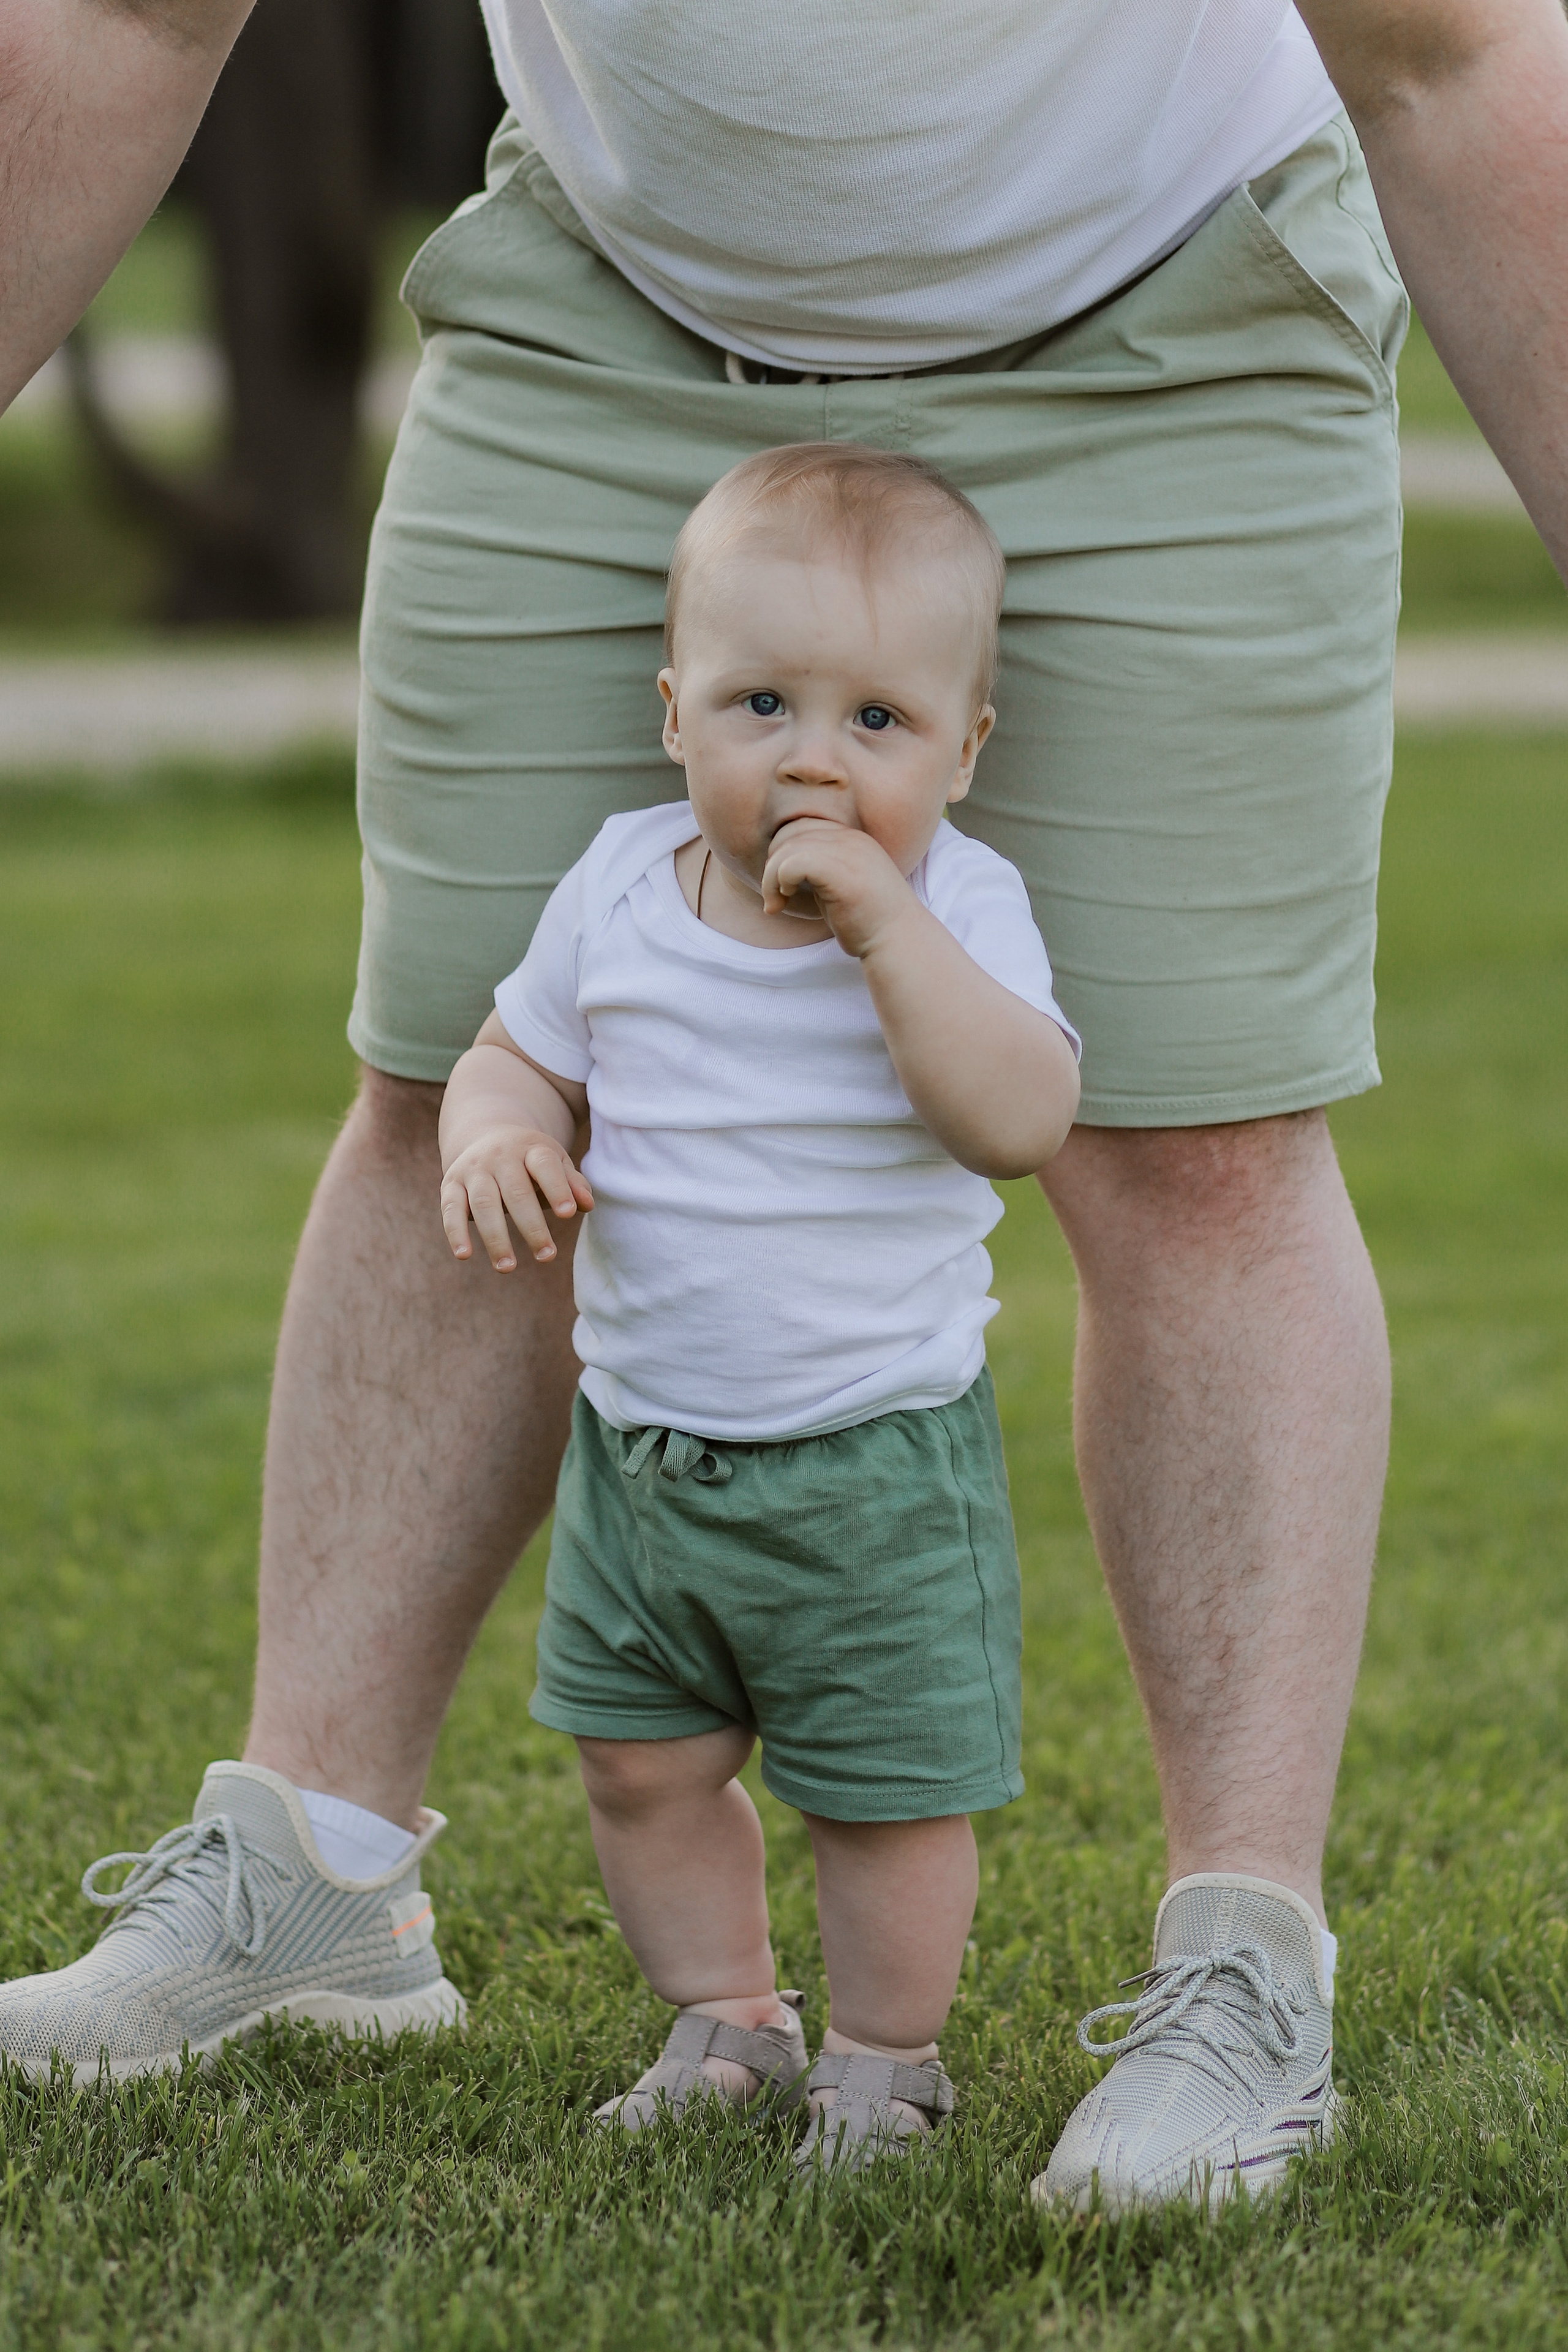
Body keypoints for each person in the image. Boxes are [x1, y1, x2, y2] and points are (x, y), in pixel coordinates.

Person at [1, 0, 1564, 2212]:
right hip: (622, 308)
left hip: (1170, 311)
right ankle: (310, 1878)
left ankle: (1245, 1975)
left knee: (1205, 1142)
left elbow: (1465, 60)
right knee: (458, 1079)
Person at [436, 443, 1081, 2171]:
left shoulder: (960, 908)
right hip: (644, 1454)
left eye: (879, 721)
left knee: (883, 1797)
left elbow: (1019, 1122)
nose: (812, 753)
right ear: (674, 717)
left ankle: (887, 2057)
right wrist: (499, 1131)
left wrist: (886, 930)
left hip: (870, 1460)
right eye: (761, 701)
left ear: (964, 750)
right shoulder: (623, 886)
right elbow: (514, 1052)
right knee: (639, 1764)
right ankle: (729, 2015)